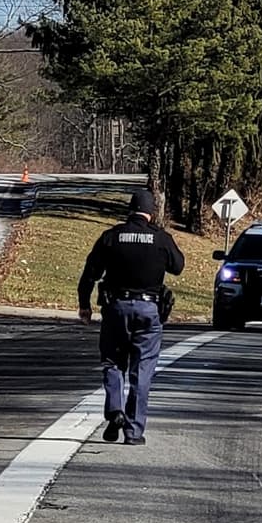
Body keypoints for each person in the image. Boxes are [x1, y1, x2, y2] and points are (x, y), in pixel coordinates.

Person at [77, 189, 185, 445]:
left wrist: (84, 304)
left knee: (113, 362)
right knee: (142, 369)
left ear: (130, 209)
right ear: (151, 212)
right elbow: (178, 267)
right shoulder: (161, 239)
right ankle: (134, 432)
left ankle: (115, 411)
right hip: (149, 311)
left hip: (116, 309)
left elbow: (90, 272)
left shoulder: (111, 237)